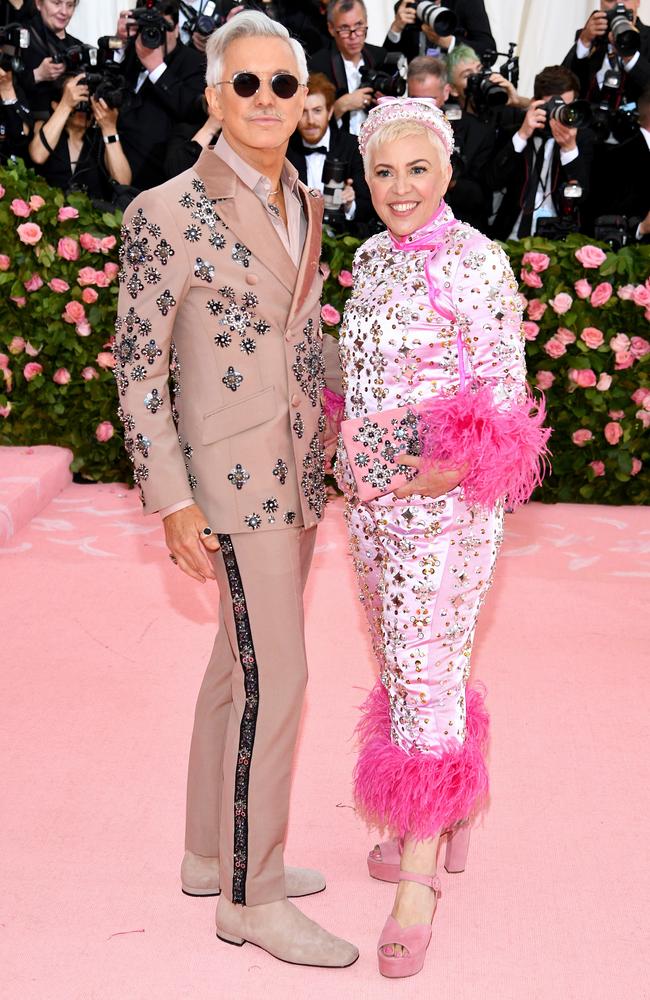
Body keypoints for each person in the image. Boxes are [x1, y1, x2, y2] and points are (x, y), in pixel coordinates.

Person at [113, 9, 357, 970]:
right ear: (213, 96)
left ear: (305, 104)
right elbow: (138, 369)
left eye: (282, 85)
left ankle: (212, 854)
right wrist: (170, 497)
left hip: (300, 474)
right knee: (279, 678)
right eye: (244, 83)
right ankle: (253, 901)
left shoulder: (307, 202)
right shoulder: (165, 211)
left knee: (236, 666)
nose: (264, 99)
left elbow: (300, 341)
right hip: (226, 483)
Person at [335, 96, 545, 978]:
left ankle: (417, 879)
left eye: (418, 169)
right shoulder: (374, 258)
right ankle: (441, 815)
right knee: (403, 659)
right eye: (384, 171)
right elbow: (365, 375)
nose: (399, 188)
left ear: (449, 171)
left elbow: (505, 390)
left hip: (450, 501)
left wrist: (450, 475)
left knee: (425, 664)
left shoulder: (478, 260)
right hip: (378, 497)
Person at [486, 65, 594, 240]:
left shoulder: (583, 139)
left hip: (559, 236)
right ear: (535, 102)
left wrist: (569, 149)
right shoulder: (516, 131)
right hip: (510, 233)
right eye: (554, 106)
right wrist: (522, 136)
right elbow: (493, 181)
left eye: (567, 107)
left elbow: (583, 196)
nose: (560, 114)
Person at [117, 0, 206, 190]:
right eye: (146, 27)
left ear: (175, 28)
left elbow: (193, 110)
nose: (153, 34)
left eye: (160, 27)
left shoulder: (195, 63)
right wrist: (120, 41)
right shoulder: (134, 50)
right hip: (115, 169)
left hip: (156, 180)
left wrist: (156, 68)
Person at [407, 54, 493, 230]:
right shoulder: (394, 131)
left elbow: (481, 198)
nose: (422, 108)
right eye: (414, 100)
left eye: (429, 101)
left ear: (446, 92)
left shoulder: (476, 132)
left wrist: (449, 180)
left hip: (461, 232)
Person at [286, 71, 373, 232]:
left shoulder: (353, 146)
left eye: (317, 111)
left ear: (330, 112)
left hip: (344, 241)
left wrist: (349, 204)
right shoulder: (285, 150)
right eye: (303, 112)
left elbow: (368, 207)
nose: (310, 120)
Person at [28, 72, 132, 196]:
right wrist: (66, 105)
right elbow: (38, 155)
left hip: (92, 212)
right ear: (56, 105)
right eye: (77, 97)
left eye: (87, 98)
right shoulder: (43, 127)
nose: (83, 104)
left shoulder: (101, 140)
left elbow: (123, 183)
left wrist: (109, 129)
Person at [309, 0, 385, 135]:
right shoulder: (317, 65)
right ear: (331, 28)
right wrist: (341, 106)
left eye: (359, 25)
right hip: (338, 150)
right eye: (344, 28)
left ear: (366, 22)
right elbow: (308, 122)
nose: (354, 36)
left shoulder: (379, 56)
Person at [563, 0, 650, 104]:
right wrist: (584, 42)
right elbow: (560, 84)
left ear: (638, 1)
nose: (618, 4)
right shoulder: (590, 36)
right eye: (610, 0)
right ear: (601, 3)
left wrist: (629, 56)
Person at [20, 0, 83, 118]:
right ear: (39, 4)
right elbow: (6, 85)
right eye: (56, 3)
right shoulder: (19, 38)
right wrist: (37, 75)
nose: (64, 12)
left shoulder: (78, 47)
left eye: (70, 5)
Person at [384, 0, 495, 60]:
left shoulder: (466, 3)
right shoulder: (409, 5)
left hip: (456, 91)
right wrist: (396, 28)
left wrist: (449, 42)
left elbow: (489, 51)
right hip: (420, 90)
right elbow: (388, 61)